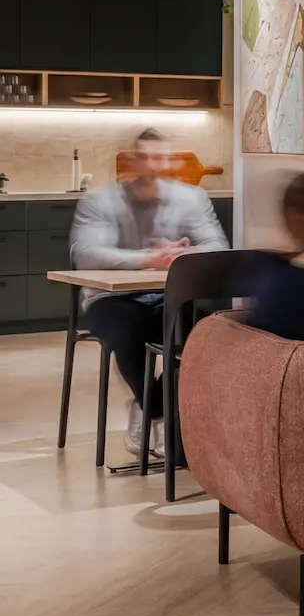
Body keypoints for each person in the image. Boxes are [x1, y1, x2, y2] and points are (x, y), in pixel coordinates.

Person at [69, 128, 228, 458]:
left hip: (168, 297)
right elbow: (85, 252)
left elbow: (217, 246)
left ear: (169, 163)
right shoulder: (101, 200)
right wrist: (147, 259)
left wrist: (183, 253)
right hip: (110, 299)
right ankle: (155, 411)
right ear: (130, 161)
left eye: (159, 158)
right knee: (128, 333)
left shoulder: (191, 198)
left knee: (207, 333)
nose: (152, 166)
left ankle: (155, 409)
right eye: (144, 158)